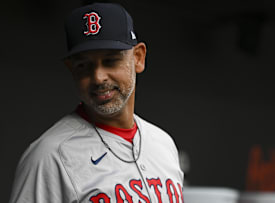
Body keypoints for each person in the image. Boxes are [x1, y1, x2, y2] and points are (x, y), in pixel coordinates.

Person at [9, 2, 184, 203]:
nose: (99, 77)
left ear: (138, 58)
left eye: (110, 61)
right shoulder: (49, 156)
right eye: (84, 65)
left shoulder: (163, 143)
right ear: (72, 69)